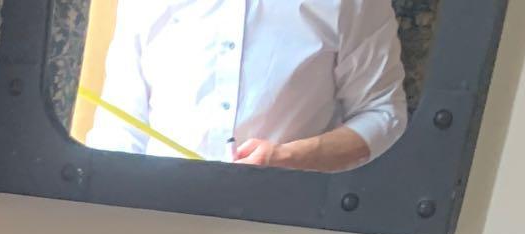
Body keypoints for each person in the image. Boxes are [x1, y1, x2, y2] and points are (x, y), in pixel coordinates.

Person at [85, 0, 408, 171]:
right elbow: (120, 125)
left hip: (289, 225)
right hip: (150, 217)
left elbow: (382, 114)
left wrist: (288, 157)